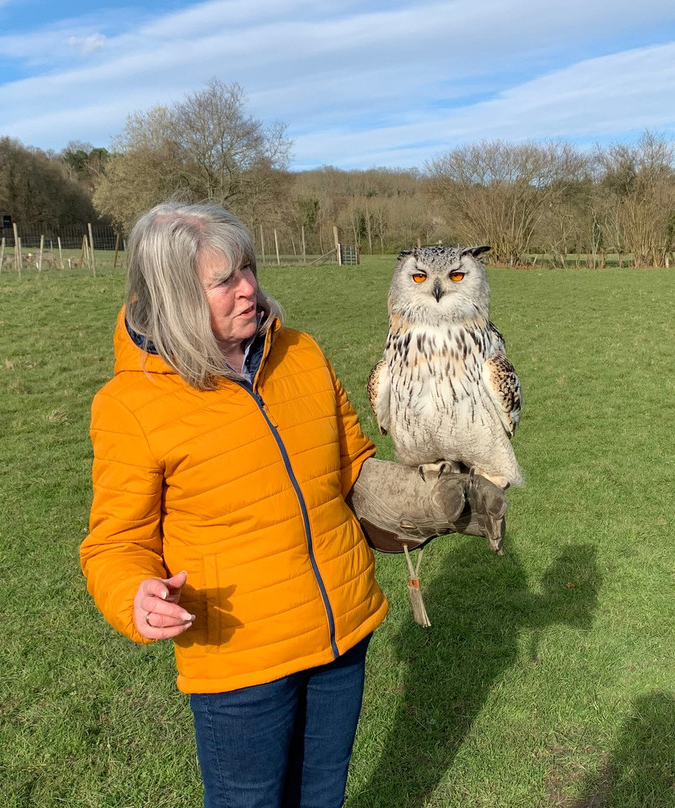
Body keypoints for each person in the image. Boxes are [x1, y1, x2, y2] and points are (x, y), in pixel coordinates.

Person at [80, 201, 505, 808]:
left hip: (342, 636)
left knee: (321, 796)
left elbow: (352, 467)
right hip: (242, 661)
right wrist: (134, 596)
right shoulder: (131, 405)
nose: (248, 289)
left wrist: (429, 501)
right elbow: (115, 543)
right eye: (224, 280)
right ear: (173, 295)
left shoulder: (299, 353)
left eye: (248, 268)